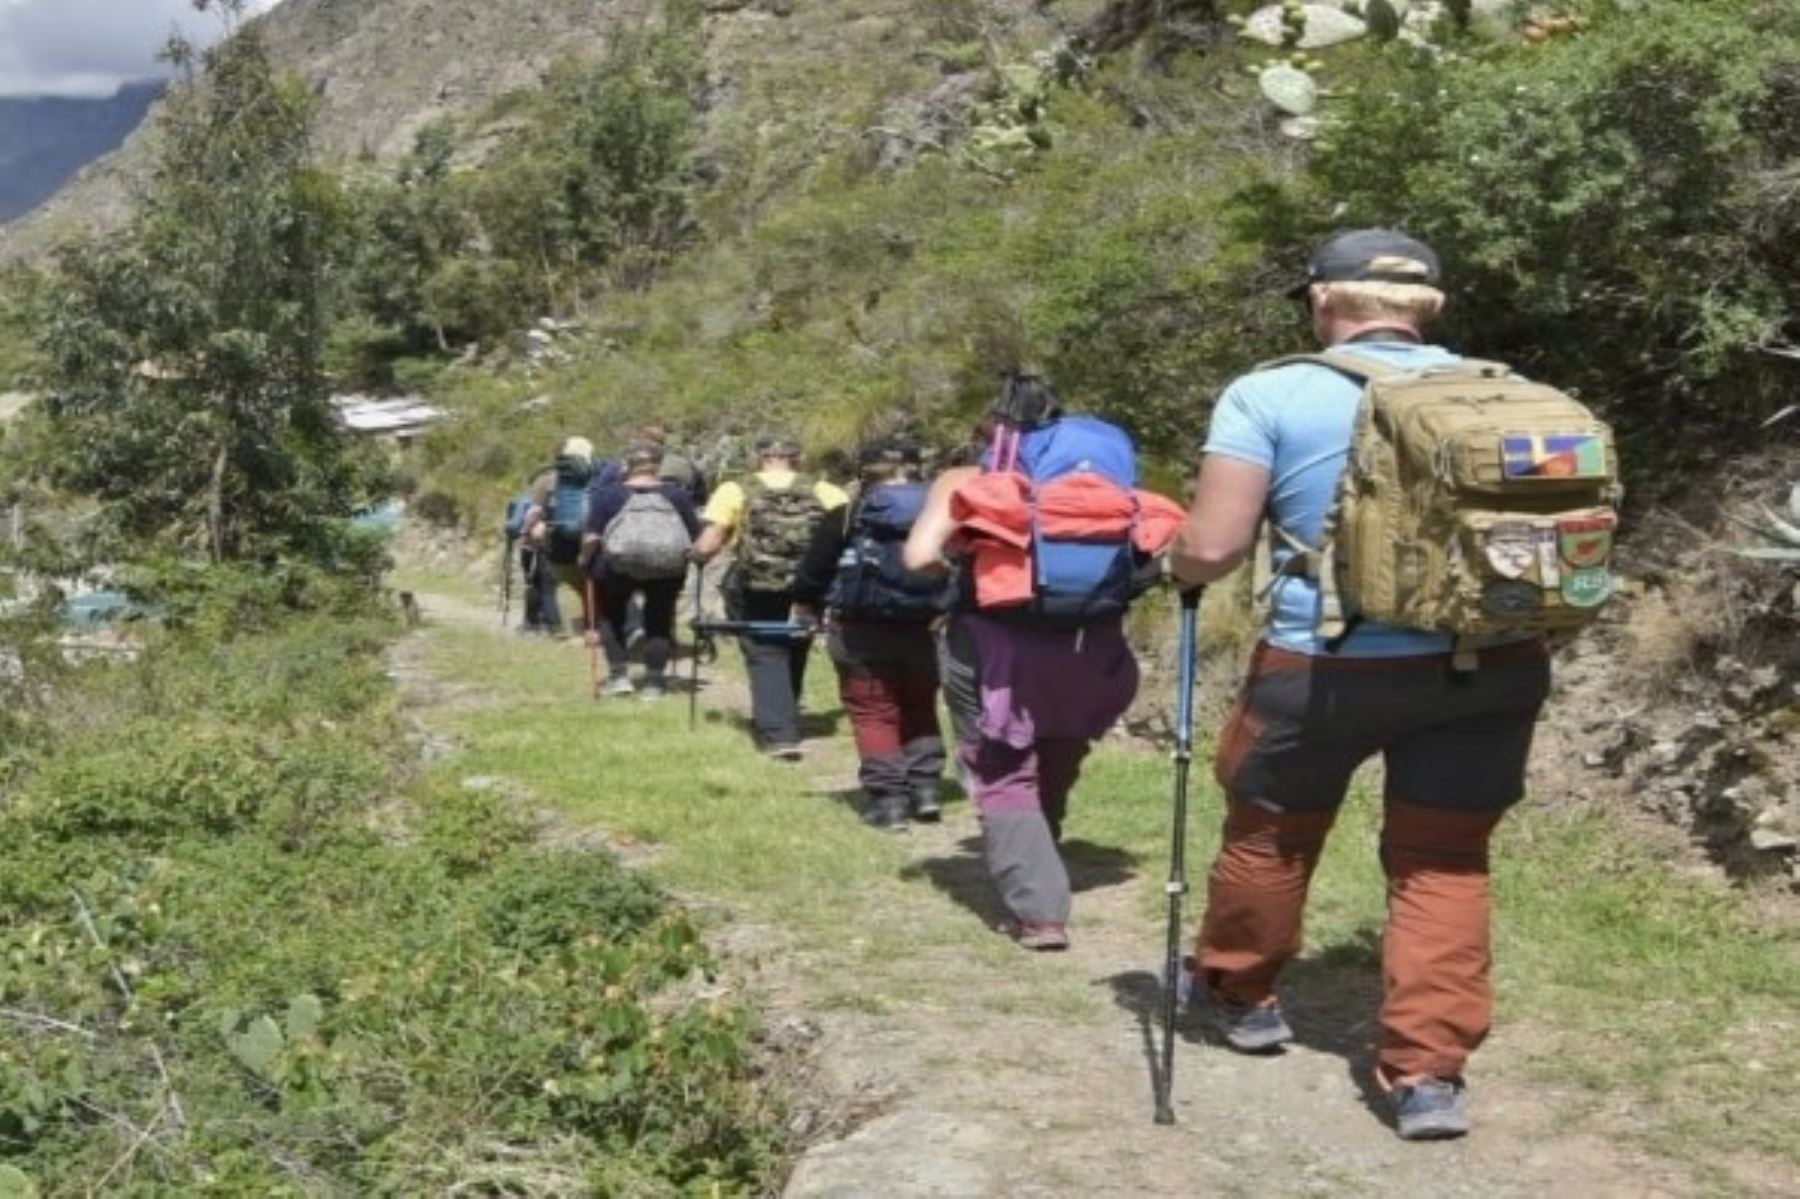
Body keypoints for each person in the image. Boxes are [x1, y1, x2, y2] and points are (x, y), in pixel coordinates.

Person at [1170, 229, 1553, 1141]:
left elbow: (1215, 546)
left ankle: (1244, 992)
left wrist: (1171, 562)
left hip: (1327, 663)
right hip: (1491, 661)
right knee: (1444, 859)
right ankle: (1426, 1075)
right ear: (1434, 308)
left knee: (1269, 832)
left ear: (1320, 301)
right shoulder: (1507, 389)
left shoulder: (1269, 392)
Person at [904, 376, 1179, 951]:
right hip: (1092, 645)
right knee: (1057, 748)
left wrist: (964, 573)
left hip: (995, 641)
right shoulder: (1103, 482)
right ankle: (1039, 846)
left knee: (1002, 765)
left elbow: (919, 557)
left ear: (991, 430)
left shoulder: (969, 480)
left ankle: (1038, 911)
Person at [793, 439, 947, 829]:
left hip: (861, 629)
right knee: (920, 706)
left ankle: (890, 800)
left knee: (873, 712)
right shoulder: (942, 515)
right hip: (926, 627)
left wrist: (806, 607)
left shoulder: (847, 517)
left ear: (864, 474)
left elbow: (812, 573)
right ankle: (926, 788)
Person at [691, 434, 849, 759]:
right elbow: (844, 533)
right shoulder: (825, 490)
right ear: (798, 456)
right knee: (797, 642)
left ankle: (779, 734)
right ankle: (786, 710)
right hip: (810, 583)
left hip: (756, 583)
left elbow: (709, 543)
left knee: (765, 651)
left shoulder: (735, 489)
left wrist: (694, 554)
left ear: (758, 456)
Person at [581, 444, 702, 699]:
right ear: (658, 465)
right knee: (658, 620)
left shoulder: (608, 494)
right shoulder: (677, 495)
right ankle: (654, 683)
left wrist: (586, 559)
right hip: (666, 568)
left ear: (627, 465)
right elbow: (694, 535)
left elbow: (592, 536)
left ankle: (618, 677)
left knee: (613, 618)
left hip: (616, 566)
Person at [522, 437, 600, 635]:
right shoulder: (599, 477)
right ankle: (594, 625)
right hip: (592, 537)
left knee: (549, 583)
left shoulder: (548, 479)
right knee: (590, 583)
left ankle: (557, 627)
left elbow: (535, 512)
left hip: (556, 539)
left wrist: (528, 532)